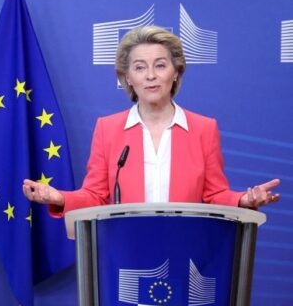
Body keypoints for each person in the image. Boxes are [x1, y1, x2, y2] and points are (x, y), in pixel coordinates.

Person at [22, 26, 280, 216]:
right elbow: (95, 196)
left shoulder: (203, 129)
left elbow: (214, 196)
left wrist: (243, 200)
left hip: (187, 245)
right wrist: (60, 197)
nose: (151, 76)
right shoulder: (108, 129)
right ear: (127, 77)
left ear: (176, 72)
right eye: (140, 67)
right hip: (128, 247)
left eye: (160, 65)